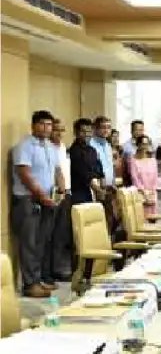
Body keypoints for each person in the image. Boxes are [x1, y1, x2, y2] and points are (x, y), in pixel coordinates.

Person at [11, 110, 64, 297]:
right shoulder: (24, 146)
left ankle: (39, 279)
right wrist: (41, 195)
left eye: (49, 125)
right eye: (42, 124)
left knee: (42, 241)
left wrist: (61, 189)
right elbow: (24, 174)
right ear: (33, 126)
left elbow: (57, 171)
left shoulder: (51, 147)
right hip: (28, 199)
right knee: (29, 242)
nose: (46, 128)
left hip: (48, 199)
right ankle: (30, 284)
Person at [50, 119, 73, 281]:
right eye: (56, 129)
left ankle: (58, 268)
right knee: (51, 234)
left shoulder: (63, 147)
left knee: (62, 233)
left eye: (62, 130)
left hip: (66, 193)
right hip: (53, 194)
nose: (59, 133)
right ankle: (51, 270)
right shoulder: (48, 148)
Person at [89, 116, 116, 232]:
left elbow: (110, 166)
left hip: (109, 187)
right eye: (103, 127)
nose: (106, 130)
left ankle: (108, 240)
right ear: (95, 129)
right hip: (96, 188)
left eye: (108, 127)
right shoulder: (91, 145)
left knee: (110, 219)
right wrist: (98, 188)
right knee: (98, 221)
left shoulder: (108, 145)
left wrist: (113, 183)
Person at [69, 118, 104, 205]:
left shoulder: (92, 150)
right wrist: (98, 190)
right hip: (79, 193)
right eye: (83, 131)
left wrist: (103, 186)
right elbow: (84, 174)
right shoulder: (74, 151)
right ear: (76, 132)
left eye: (89, 131)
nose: (87, 134)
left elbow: (99, 169)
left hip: (94, 191)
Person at [129, 135, 158, 217]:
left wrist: (152, 192)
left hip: (152, 194)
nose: (145, 146)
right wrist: (144, 192)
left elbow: (155, 178)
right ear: (138, 145)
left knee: (153, 218)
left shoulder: (153, 160)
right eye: (143, 144)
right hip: (140, 194)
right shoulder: (133, 160)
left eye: (147, 144)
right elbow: (135, 178)